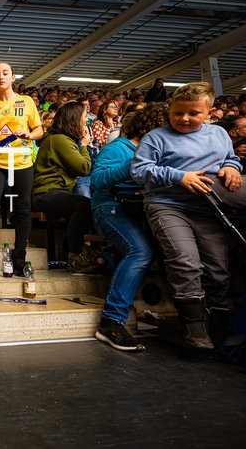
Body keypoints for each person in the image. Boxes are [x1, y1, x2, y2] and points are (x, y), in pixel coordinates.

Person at [130, 82, 243, 350]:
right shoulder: (156, 137)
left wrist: (231, 166)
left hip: (209, 208)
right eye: (177, 113)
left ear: (210, 113)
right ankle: (195, 330)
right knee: (185, 261)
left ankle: (215, 324)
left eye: (193, 113)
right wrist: (179, 176)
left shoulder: (219, 134)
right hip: (167, 205)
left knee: (218, 270)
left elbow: (230, 158)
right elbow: (139, 170)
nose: (183, 118)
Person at [91, 104, 169, 351]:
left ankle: (108, 258)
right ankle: (111, 322)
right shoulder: (119, 147)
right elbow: (97, 180)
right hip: (110, 208)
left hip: (141, 211)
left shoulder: (161, 152)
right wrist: (135, 162)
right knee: (140, 251)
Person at [0, 62, 43, 275]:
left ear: (13, 77)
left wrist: (29, 135)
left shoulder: (26, 101)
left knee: (23, 209)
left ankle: (19, 258)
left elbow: (39, 130)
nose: (1, 77)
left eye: (5, 73)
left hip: (22, 161)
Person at [31, 102, 94, 273]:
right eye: (84, 117)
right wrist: (85, 145)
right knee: (84, 205)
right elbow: (83, 167)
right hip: (46, 194)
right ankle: (74, 256)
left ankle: (79, 251)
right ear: (74, 119)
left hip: (56, 191)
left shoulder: (61, 138)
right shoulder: (59, 140)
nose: (86, 121)